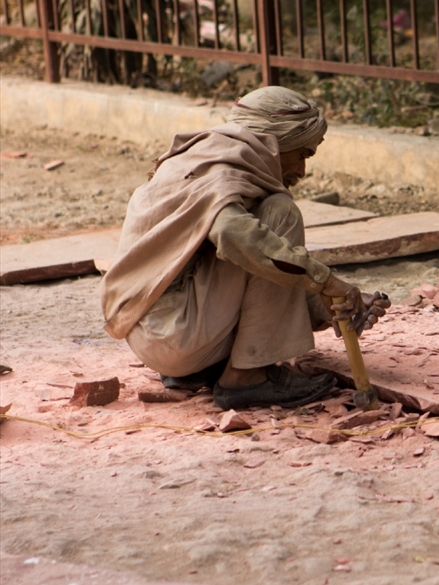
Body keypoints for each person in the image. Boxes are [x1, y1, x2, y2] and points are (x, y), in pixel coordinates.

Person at [100, 86, 389, 410]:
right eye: (303, 154)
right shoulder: (221, 174)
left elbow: (248, 274)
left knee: (270, 243)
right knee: (280, 213)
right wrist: (325, 281)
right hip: (175, 334)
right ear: (276, 143)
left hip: (156, 337)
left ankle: (202, 370)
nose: (302, 171)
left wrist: (328, 307)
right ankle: (245, 379)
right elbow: (234, 235)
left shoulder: (203, 158)